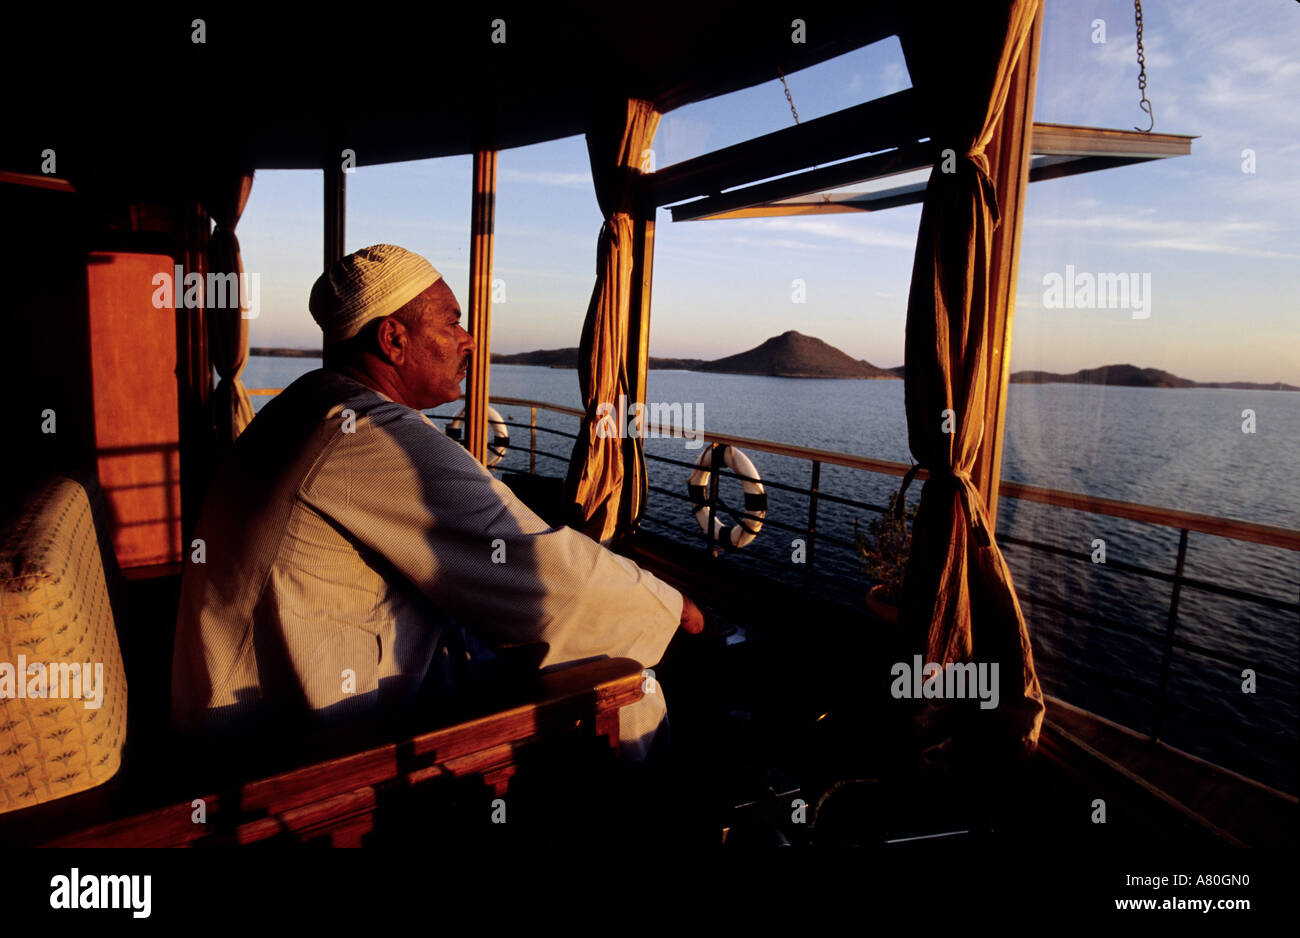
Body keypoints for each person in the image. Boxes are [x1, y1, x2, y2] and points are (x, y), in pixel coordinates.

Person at [171, 243, 704, 759]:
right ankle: (654, 830)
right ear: (393, 340)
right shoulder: (369, 435)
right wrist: (672, 608)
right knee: (627, 681)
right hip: (290, 754)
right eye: (452, 323)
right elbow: (551, 579)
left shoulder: (306, 404)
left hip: (236, 711)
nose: (469, 339)